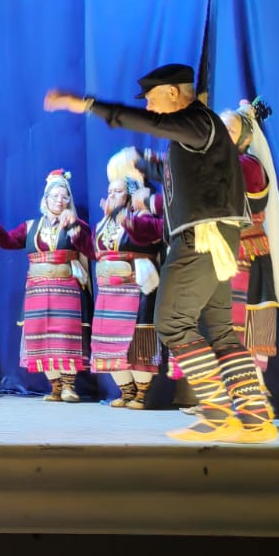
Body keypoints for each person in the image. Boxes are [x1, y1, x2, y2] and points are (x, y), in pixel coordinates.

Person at [45, 63, 276, 442]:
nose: (150, 107)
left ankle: (218, 412)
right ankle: (255, 419)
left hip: (200, 238)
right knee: (221, 330)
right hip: (217, 237)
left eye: (152, 99)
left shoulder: (197, 120)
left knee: (172, 322)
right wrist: (141, 162)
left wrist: (87, 105)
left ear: (172, 93)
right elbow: (179, 173)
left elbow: (149, 124)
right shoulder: (197, 132)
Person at [0, 170, 94, 401]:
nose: (59, 201)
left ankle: (69, 386)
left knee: (66, 337)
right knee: (42, 337)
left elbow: (90, 251)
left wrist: (74, 229)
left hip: (66, 289)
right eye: (55, 196)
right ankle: (55, 386)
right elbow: (8, 241)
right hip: (37, 290)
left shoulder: (77, 225)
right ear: (45, 199)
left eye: (64, 197)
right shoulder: (31, 226)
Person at [219, 100, 279, 369]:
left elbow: (243, 203)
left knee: (246, 325)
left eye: (230, 130)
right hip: (223, 254)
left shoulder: (247, 166)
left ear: (245, 138)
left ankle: (251, 384)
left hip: (246, 255)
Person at [90, 151, 166, 408]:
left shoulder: (143, 217)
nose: (112, 195)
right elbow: (91, 251)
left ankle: (142, 393)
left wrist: (126, 220)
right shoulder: (103, 224)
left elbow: (152, 235)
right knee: (109, 342)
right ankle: (126, 390)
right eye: (110, 191)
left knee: (137, 340)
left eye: (118, 191)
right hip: (109, 292)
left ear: (130, 194)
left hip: (136, 289)